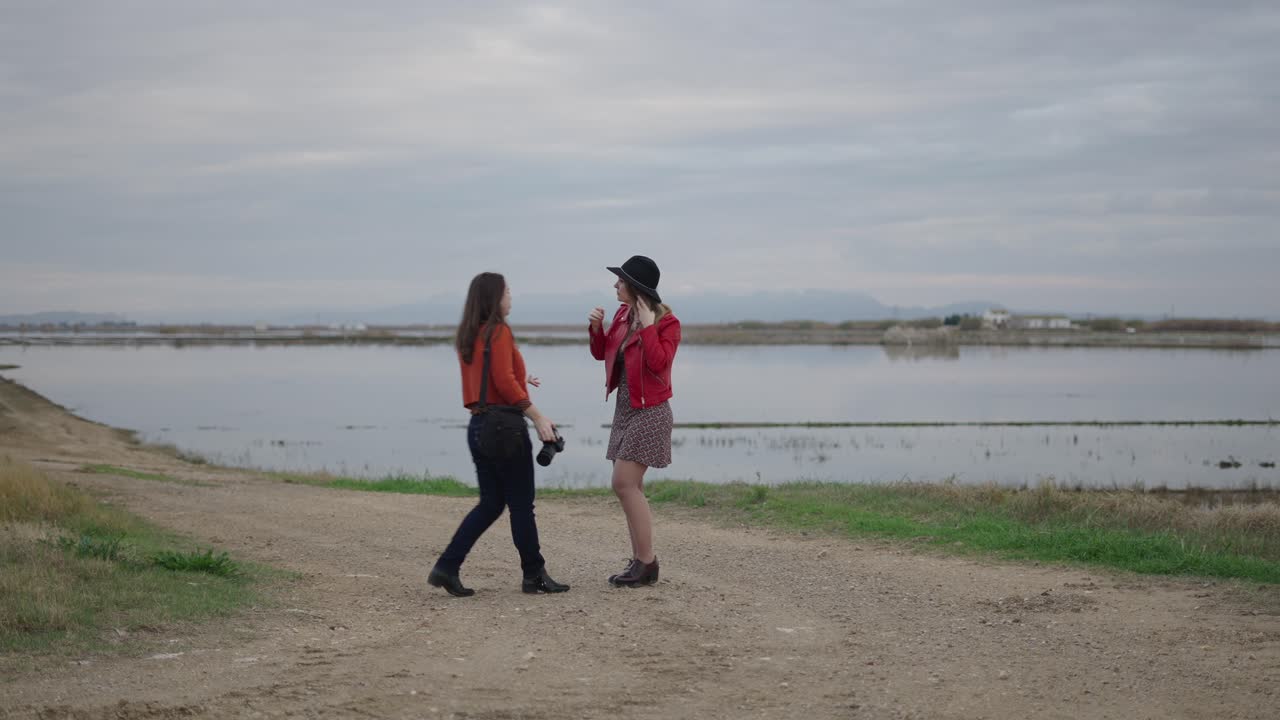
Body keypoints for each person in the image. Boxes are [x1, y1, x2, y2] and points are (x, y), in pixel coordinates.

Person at [428, 272, 569, 597]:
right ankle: (534, 575)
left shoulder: (469, 334)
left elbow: (494, 378)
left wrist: (521, 378)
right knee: (521, 504)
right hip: (506, 428)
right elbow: (503, 381)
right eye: (507, 291)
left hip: (478, 427)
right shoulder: (500, 331)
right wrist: (537, 416)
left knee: (491, 503)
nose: (511, 297)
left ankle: (447, 567)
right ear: (495, 298)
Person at [588, 255, 681, 587]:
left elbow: (659, 364)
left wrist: (650, 326)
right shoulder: (622, 314)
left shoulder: (667, 322)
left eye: (621, 280)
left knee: (623, 483)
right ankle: (640, 562)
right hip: (625, 408)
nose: (615, 284)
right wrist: (597, 331)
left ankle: (647, 562)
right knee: (631, 487)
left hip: (652, 410)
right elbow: (605, 354)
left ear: (636, 287)